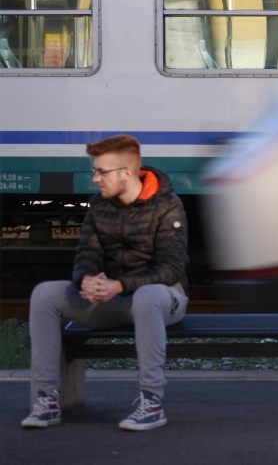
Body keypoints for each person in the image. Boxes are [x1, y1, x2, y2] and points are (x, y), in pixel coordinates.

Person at [21, 135, 190, 431]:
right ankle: (46, 399)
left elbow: (171, 269)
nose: (96, 178)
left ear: (126, 173)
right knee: (44, 293)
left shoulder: (168, 205)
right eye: (95, 171)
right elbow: (86, 254)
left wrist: (119, 286)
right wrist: (87, 280)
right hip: (117, 299)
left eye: (102, 172)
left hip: (164, 299)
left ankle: (152, 402)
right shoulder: (99, 207)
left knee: (147, 295)